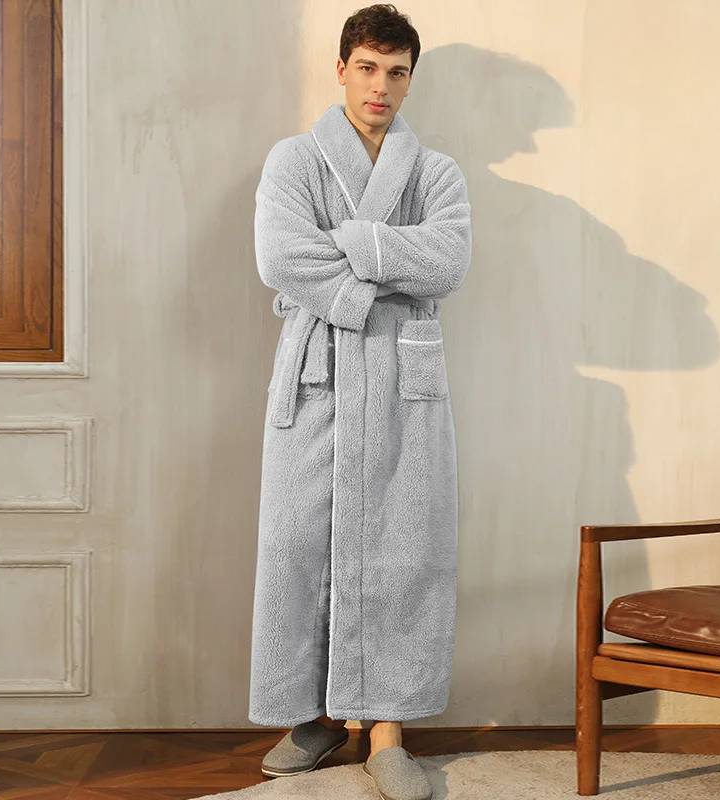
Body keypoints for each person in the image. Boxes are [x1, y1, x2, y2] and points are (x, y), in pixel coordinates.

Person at [249, 5, 472, 799]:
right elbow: (280, 254)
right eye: (368, 68)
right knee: (298, 546)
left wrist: (347, 240)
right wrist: (379, 277)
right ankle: (312, 716)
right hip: (315, 378)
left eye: (398, 71)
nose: (382, 86)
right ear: (341, 69)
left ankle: (386, 729)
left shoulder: (436, 172)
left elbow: (448, 261)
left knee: (402, 548)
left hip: (405, 385)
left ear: (411, 78)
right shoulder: (294, 160)